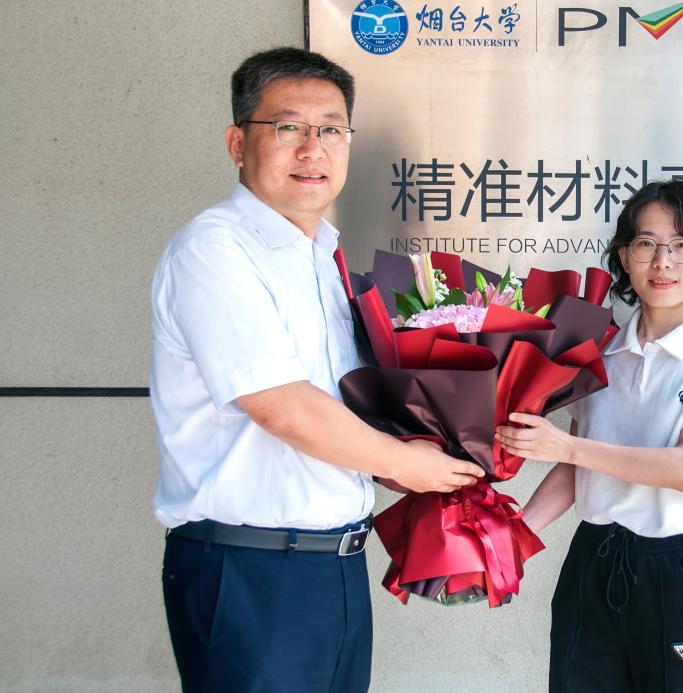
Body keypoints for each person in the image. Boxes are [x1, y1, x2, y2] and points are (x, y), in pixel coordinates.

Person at [149, 47, 483, 693]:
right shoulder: (215, 249)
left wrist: (409, 457)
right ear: (237, 143)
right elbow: (282, 407)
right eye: (288, 127)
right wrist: (406, 463)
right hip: (251, 569)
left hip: (336, 566)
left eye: (331, 129)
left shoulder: (322, 258)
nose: (313, 148)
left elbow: (339, 408)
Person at [496, 179, 683, 692]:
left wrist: (566, 445)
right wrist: (511, 541)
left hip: (676, 570)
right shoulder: (602, 351)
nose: (662, 261)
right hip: (592, 563)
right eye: (646, 244)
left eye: (681, 245)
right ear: (624, 256)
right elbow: (575, 468)